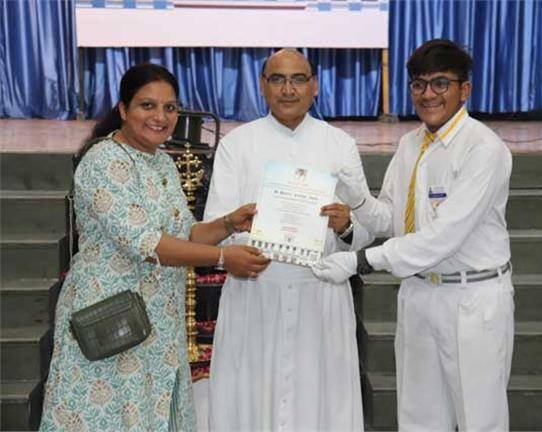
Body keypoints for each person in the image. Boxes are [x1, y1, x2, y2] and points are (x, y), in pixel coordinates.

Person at [40, 63, 270, 432]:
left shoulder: (161, 161)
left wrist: (229, 223)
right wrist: (223, 257)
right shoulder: (104, 160)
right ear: (123, 109)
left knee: (150, 415)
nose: (160, 117)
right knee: (108, 418)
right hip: (111, 319)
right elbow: (148, 243)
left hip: (157, 323)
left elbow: (185, 234)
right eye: (147, 106)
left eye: (170, 107)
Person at [312, 39, 515, 431]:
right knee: (419, 418)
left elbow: (444, 237)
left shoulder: (483, 149)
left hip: (472, 298)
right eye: (419, 84)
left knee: (479, 420)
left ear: (464, 89)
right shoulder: (410, 144)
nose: (428, 94)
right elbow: (391, 218)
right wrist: (357, 200)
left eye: (440, 83)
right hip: (419, 293)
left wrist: (359, 261)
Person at [204, 48, 371, 432]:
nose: (288, 89)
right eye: (278, 79)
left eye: (298, 79)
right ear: (262, 85)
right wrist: (236, 236)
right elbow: (215, 225)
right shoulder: (238, 144)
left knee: (322, 404)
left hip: (320, 293)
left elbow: (364, 232)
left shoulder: (339, 144)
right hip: (256, 291)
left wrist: (346, 226)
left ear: (315, 85)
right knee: (251, 401)